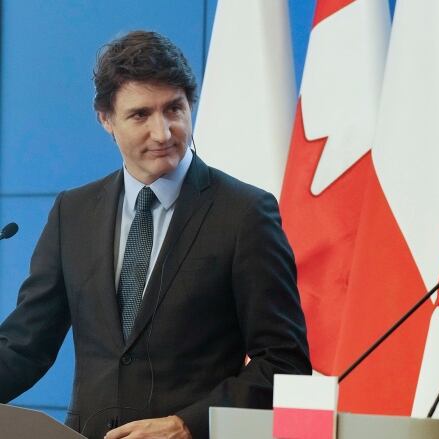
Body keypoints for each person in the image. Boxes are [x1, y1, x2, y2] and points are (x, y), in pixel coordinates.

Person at [0, 30, 311, 439]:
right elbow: (25, 344)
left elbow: (284, 363)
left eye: (174, 110)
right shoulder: (72, 213)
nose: (163, 133)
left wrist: (188, 424)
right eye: (140, 115)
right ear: (106, 119)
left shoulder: (245, 213)